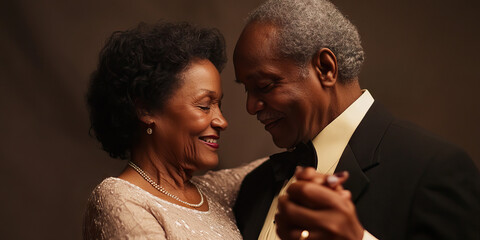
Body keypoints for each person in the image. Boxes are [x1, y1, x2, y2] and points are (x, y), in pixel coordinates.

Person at [232, 0, 480, 239]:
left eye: (264, 85)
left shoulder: (435, 170)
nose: (250, 106)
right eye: (246, 89)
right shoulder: (255, 186)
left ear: (326, 68)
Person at [83, 22, 265, 239]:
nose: (222, 121)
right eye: (205, 106)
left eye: (219, 106)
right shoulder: (119, 199)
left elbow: (285, 162)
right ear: (146, 109)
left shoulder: (214, 192)